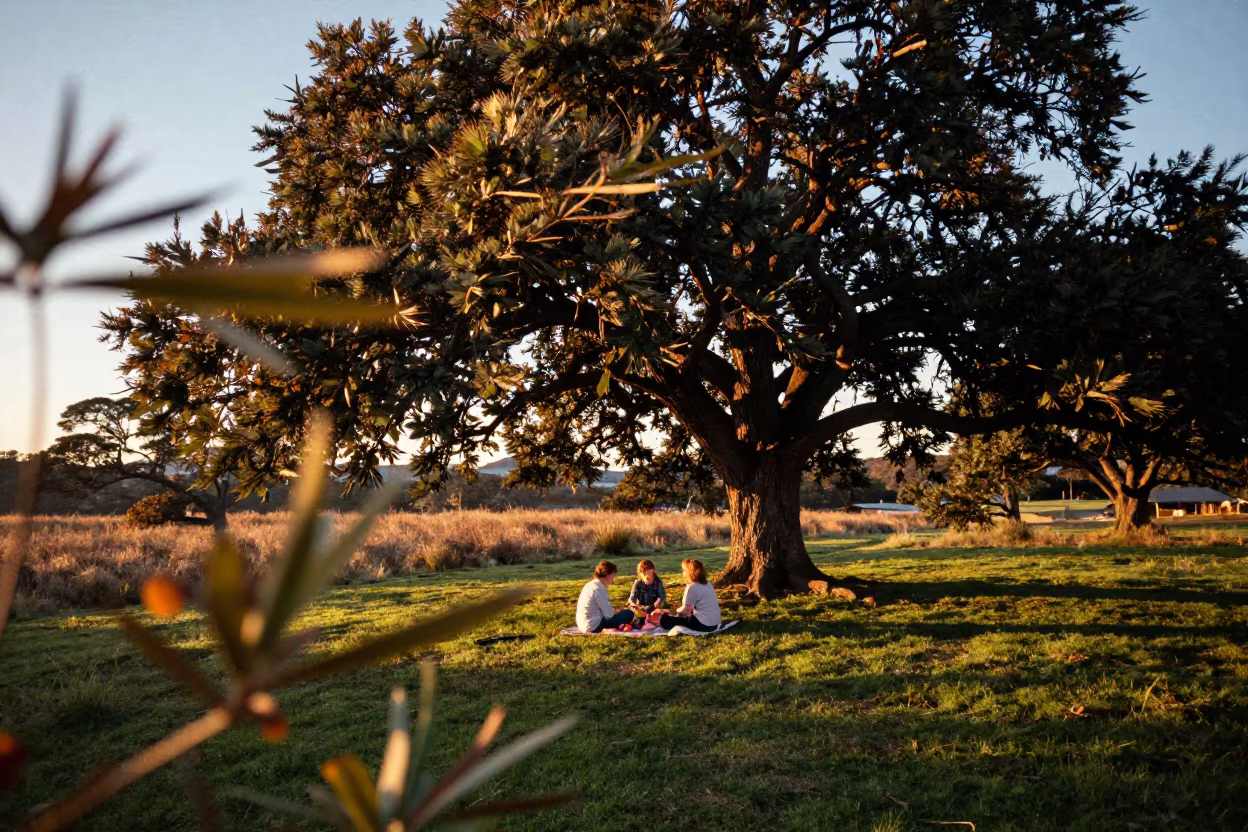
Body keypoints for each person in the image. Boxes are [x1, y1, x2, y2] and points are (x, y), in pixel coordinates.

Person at [657, 558, 722, 633]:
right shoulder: (708, 584)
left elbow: (686, 610)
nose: (683, 573)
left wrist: (673, 612)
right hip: (716, 621)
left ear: (690, 573)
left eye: (684, 570)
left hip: (705, 625)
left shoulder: (692, 587)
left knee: (666, 620)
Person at [575, 560, 636, 633]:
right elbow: (609, 615)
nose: (614, 577)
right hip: (594, 626)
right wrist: (618, 612)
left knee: (621, 613)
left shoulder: (590, 585)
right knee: (628, 613)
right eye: (613, 574)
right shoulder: (598, 588)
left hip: (583, 624)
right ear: (607, 575)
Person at [627, 558, 667, 626]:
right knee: (628, 614)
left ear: (653, 571)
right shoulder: (638, 583)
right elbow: (632, 598)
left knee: (659, 615)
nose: (646, 576)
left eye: (648, 573)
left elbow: (662, 597)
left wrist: (657, 603)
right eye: (643, 574)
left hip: (654, 609)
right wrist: (632, 601)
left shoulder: (658, 583)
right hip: (641, 609)